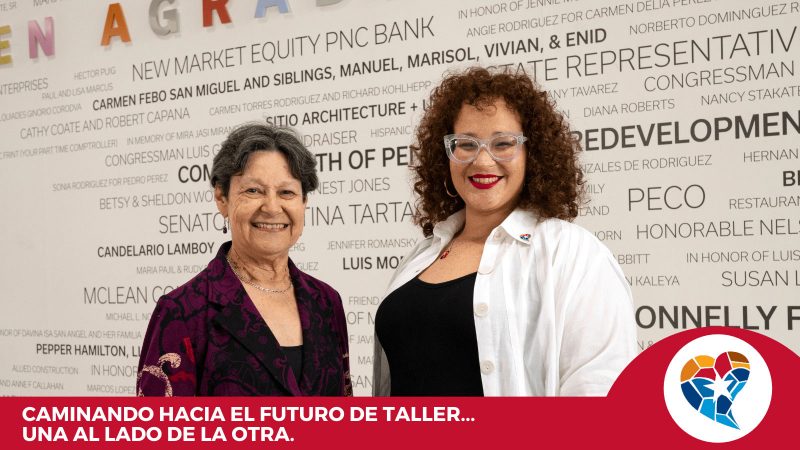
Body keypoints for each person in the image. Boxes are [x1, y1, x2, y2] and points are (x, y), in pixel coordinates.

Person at [373, 67, 636, 396]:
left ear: (533, 154)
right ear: (446, 156)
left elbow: (601, 393)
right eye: (465, 144)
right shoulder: (422, 256)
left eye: (503, 143)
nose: (483, 162)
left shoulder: (573, 254)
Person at [137, 123, 352, 396]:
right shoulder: (183, 311)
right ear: (221, 198)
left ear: (304, 202)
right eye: (253, 191)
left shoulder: (326, 302)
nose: (272, 207)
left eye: (286, 192)